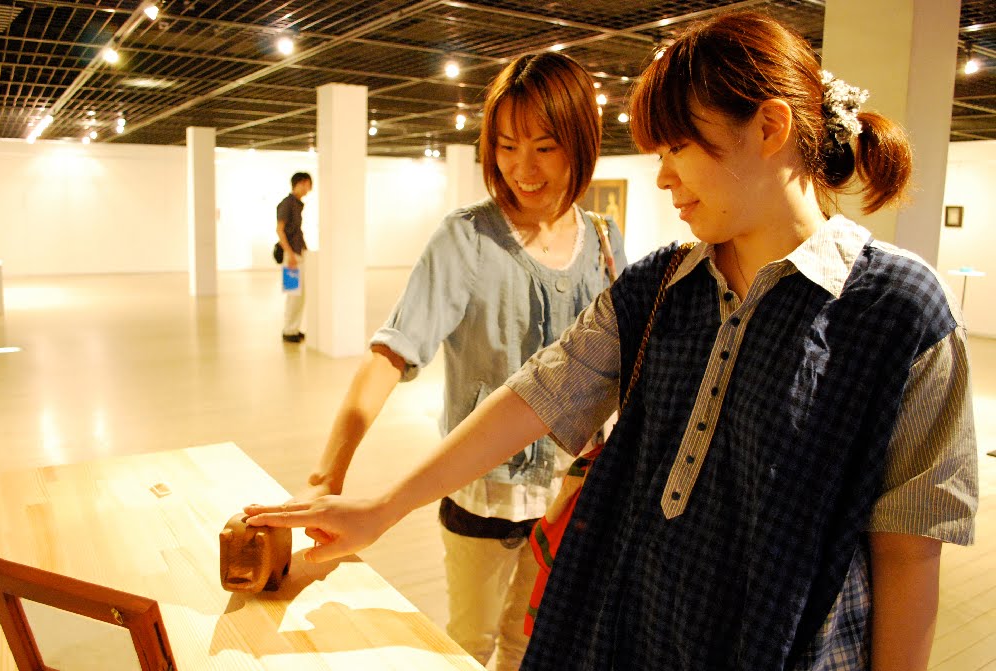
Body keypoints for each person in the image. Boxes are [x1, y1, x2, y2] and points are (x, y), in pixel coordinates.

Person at [246, 11, 978, 671]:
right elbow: (538, 392)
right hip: (636, 628)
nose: (662, 177)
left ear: (769, 128)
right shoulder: (661, 284)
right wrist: (380, 507)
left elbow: (909, 551)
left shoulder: (900, 311)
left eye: (679, 146)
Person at [274, 53, 625, 670]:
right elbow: (392, 351)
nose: (522, 168)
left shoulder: (604, 240)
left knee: (535, 640)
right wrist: (329, 472)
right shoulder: (468, 238)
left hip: (573, 493)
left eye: (544, 147)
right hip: (484, 493)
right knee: (471, 640)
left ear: (581, 142)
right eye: (507, 146)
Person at [276, 171, 312, 343]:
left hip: (297, 254)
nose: (308, 190)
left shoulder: (297, 204)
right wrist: (290, 254)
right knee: (293, 295)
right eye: (308, 185)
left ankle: (294, 328)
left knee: (299, 295)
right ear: (301, 183)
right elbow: (280, 230)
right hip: (291, 256)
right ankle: (288, 330)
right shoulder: (287, 204)